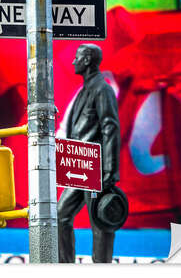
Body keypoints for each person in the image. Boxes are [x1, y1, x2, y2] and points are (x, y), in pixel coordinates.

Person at [57, 43, 121, 263]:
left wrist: (110, 170)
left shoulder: (102, 89)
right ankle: (64, 266)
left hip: (96, 170)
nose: (73, 61)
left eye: (77, 57)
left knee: (100, 222)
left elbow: (110, 127)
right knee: (60, 215)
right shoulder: (85, 90)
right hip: (80, 167)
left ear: (87, 60)